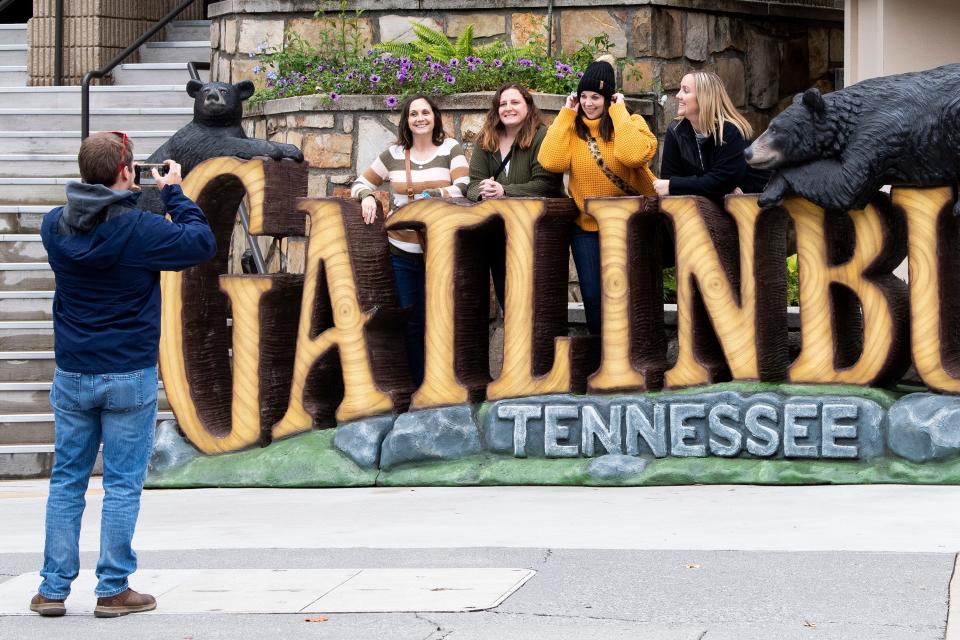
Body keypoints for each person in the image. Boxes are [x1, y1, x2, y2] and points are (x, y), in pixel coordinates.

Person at [32, 132, 217, 618]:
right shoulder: (140, 229)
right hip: (128, 373)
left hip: (73, 372)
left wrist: (125, 194)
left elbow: (88, 213)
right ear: (125, 172)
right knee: (121, 484)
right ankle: (112, 588)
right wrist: (173, 191)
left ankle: (52, 590)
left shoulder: (54, 226)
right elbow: (201, 241)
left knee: (67, 481)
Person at [351, 94, 469, 386]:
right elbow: (361, 183)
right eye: (413, 114)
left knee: (439, 319)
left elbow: (464, 186)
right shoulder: (393, 154)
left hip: (440, 248)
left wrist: (431, 196)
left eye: (425, 113)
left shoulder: (451, 149)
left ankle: (443, 384)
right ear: (406, 121)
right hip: (401, 250)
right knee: (411, 321)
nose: (420, 118)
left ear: (434, 117)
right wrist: (367, 197)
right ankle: (420, 387)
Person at [538, 56, 658, 335]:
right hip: (586, 228)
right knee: (593, 296)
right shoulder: (572, 129)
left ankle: (631, 356)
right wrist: (566, 114)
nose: (589, 103)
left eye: (596, 97)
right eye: (583, 97)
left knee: (628, 293)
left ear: (609, 98)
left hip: (630, 226)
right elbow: (550, 161)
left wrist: (619, 113)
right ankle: (602, 360)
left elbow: (632, 155)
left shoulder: (632, 123)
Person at [466, 83, 564, 308]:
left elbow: (546, 185)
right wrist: (483, 191)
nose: (508, 108)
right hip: (498, 232)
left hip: (538, 232)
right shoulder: (486, 139)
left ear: (528, 106)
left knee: (536, 302)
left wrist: (503, 191)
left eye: (515, 102)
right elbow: (472, 184)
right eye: (503, 104)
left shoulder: (543, 136)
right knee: (507, 300)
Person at [654, 70, 770, 203]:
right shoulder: (676, 131)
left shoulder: (731, 131)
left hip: (755, 207)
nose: (678, 95)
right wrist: (715, 190)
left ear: (704, 97)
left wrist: (674, 185)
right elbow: (670, 182)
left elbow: (720, 182)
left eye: (685, 90)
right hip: (709, 207)